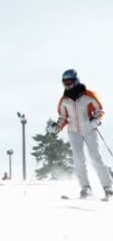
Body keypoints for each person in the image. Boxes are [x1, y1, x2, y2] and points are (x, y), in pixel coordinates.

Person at [47, 69, 113, 199]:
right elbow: (63, 117)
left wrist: (96, 120)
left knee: (95, 157)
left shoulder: (88, 95)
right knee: (78, 159)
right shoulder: (64, 100)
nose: (67, 85)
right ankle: (85, 187)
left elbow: (99, 110)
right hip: (74, 132)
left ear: (76, 80)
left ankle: (107, 186)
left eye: (70, 82)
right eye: (65, 83)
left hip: (89, 129)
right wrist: (56, 127)